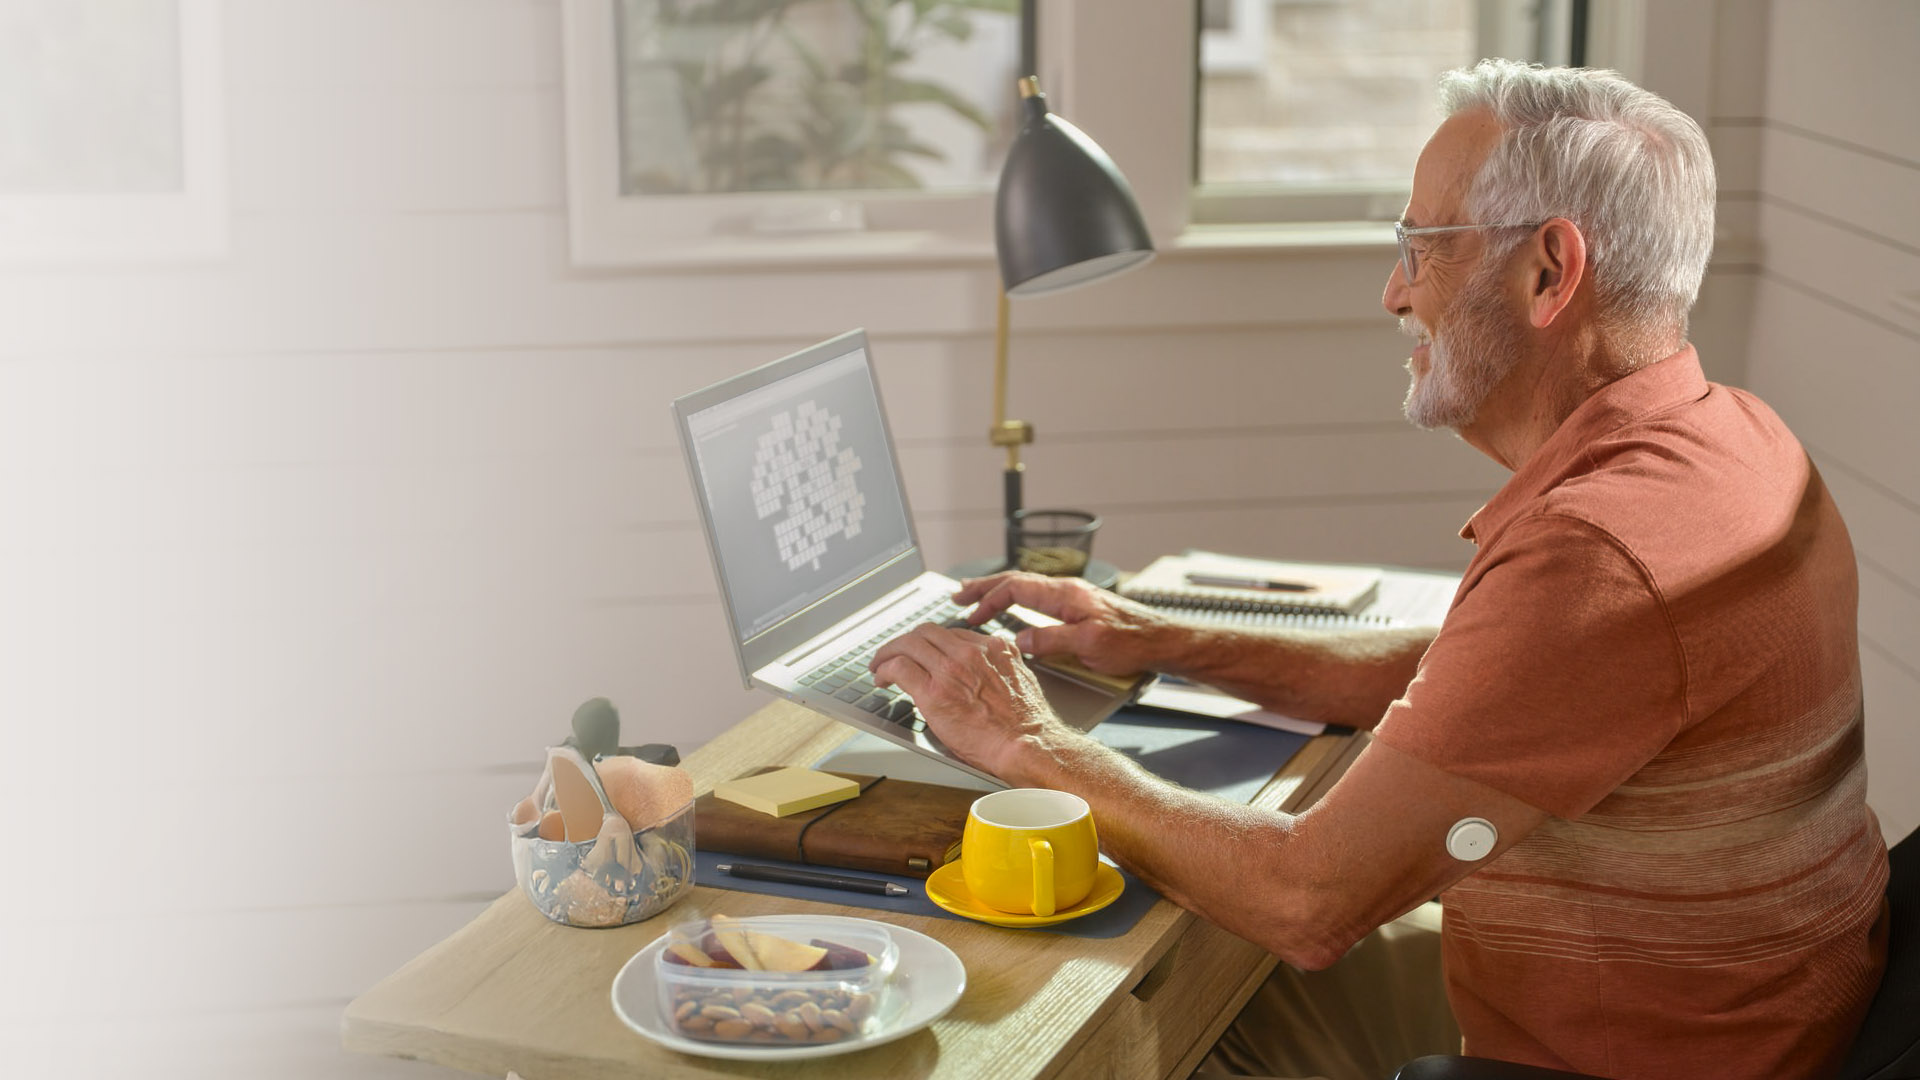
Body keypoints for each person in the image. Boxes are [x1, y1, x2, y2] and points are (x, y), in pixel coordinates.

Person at [872, 59, 1890, 1080]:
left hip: (1618, 1061)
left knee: (1092, 1031)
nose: (1395, 291)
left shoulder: (1602, 553)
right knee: (1176, 969)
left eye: (1421, 246)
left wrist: (1028, 742)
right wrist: (1157, 641)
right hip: (1727, 1019)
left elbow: (1306, 901)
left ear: (1549, 271)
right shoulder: (1731, 439)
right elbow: (1476, 676)